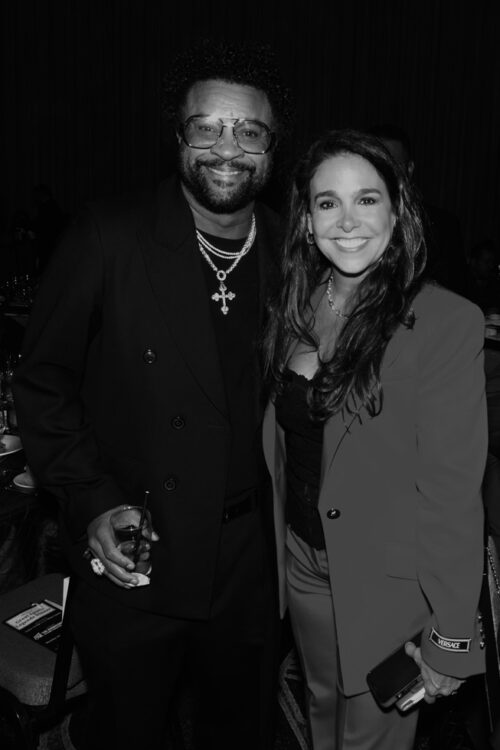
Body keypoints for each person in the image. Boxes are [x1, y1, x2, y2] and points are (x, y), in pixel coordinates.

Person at [13, 40, 291, 750]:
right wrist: (92, 499)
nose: (226, 147)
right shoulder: (109, 237)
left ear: (271, 149)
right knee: (129, 731)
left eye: (248, 131)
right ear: (178, 138)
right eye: (207, 127)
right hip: (139, 548)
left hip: (250, 561)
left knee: (240, 730)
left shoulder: (294, 252)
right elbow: (44, 383)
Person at [262, 129, 487, 749]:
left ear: (398, 209)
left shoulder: (444, 323)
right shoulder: (297, 306)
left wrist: (450, 637)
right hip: (304, 561)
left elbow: (451, 494)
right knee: (319, 705)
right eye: (327, 202)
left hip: (389, 584)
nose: (348, 220)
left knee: (370, 738)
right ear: (307, 221)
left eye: (367, 199)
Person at [368, 123, 469, 296]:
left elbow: (457, 293)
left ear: (409, 170)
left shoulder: (442, 226)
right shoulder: (346, 222)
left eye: (393, 164)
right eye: (375, 164)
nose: (384, 173)